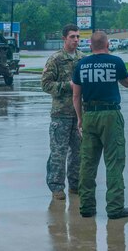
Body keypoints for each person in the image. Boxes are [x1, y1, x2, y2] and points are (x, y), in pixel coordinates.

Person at [72, 31, 128, 219]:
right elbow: (127, 83)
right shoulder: (116, 62)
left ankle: (86, 207)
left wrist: (80, 118)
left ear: (90, 46)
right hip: (111, 114)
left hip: (89, 114)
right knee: (114, 161)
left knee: (88, 163)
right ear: (107, 44)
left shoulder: (81, 65)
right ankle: (115, 208)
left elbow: (76, 95)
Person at [41, 24, 86, 200]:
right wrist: (67, 85)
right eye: (72, 37)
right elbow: (46, 85)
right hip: (61, 113)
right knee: (58, 152)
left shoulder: (83, 59)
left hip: (79, 114)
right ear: (64, 39)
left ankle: (75, 184)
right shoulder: (55, 60)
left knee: (78, 153)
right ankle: (56, 187)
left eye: (78, 37)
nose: (76, 40)